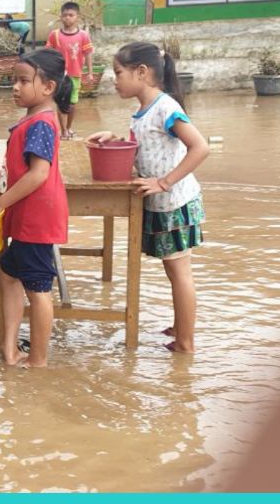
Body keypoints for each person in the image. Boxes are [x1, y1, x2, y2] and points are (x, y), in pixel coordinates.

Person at [88, 42, 209, 353]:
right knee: (175, 272)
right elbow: (144, 146)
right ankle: (181, 325)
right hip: (162, 203)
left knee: (179, 273)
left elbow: (201, 147)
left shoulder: (166, 108)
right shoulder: (143, 111)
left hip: (175, 202)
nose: (113, 80)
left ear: (141, 72)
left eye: (118, 73)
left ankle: (186, 342)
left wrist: (164, 182)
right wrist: (114, 138)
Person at [0, 48, 71, 367]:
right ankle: (10, 349)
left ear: (48, 87)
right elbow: (22, 169)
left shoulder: (41, 123)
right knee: (9, 273)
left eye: (24, 81)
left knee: (38, 289)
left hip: (35, 221)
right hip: (27, 219)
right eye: (14, 80)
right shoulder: (32, 120)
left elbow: (39, 173)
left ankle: (37, 360)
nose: (15, 87)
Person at [46, 0, 93, 139]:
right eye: (65, 15)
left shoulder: (83, 35)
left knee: (72, 104)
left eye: (71, 15)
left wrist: (90, 73)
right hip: (59, 75)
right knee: (61, 103)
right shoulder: (54, 35)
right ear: (61, 16)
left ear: (77, 16)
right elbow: (48, 53)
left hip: (75, 74)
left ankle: (69, 127)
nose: (68, 18)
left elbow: (88, 53)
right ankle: (63, 130)